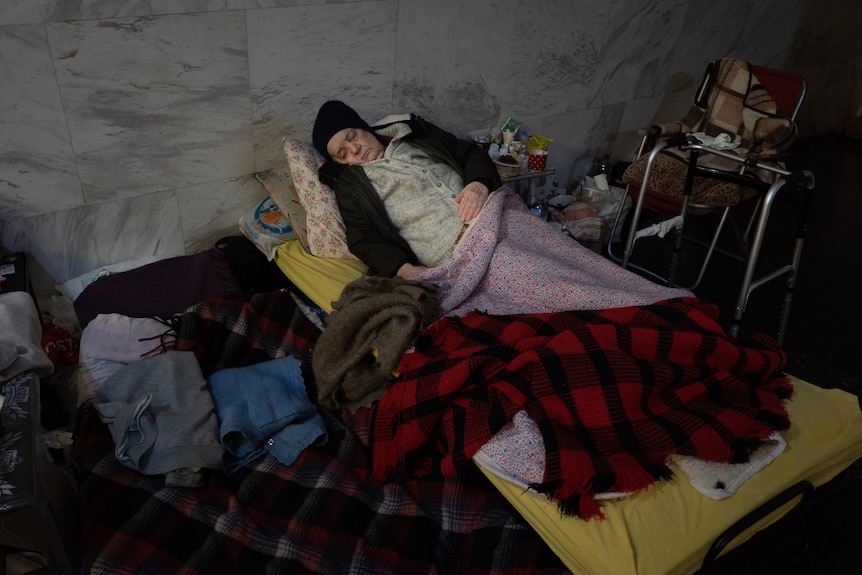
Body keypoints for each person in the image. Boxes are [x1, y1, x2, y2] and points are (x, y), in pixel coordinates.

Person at [313, 100, 501, 279]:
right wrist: (402, 269)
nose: (354, 149)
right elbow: (363, 238)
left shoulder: (416, 134)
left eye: (353, 137)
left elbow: (468, 152)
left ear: (364, 128)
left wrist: (479, 183)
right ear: (339, 163)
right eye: (343, 153)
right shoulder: (351, 186)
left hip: (496, 214)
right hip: (456, 251)